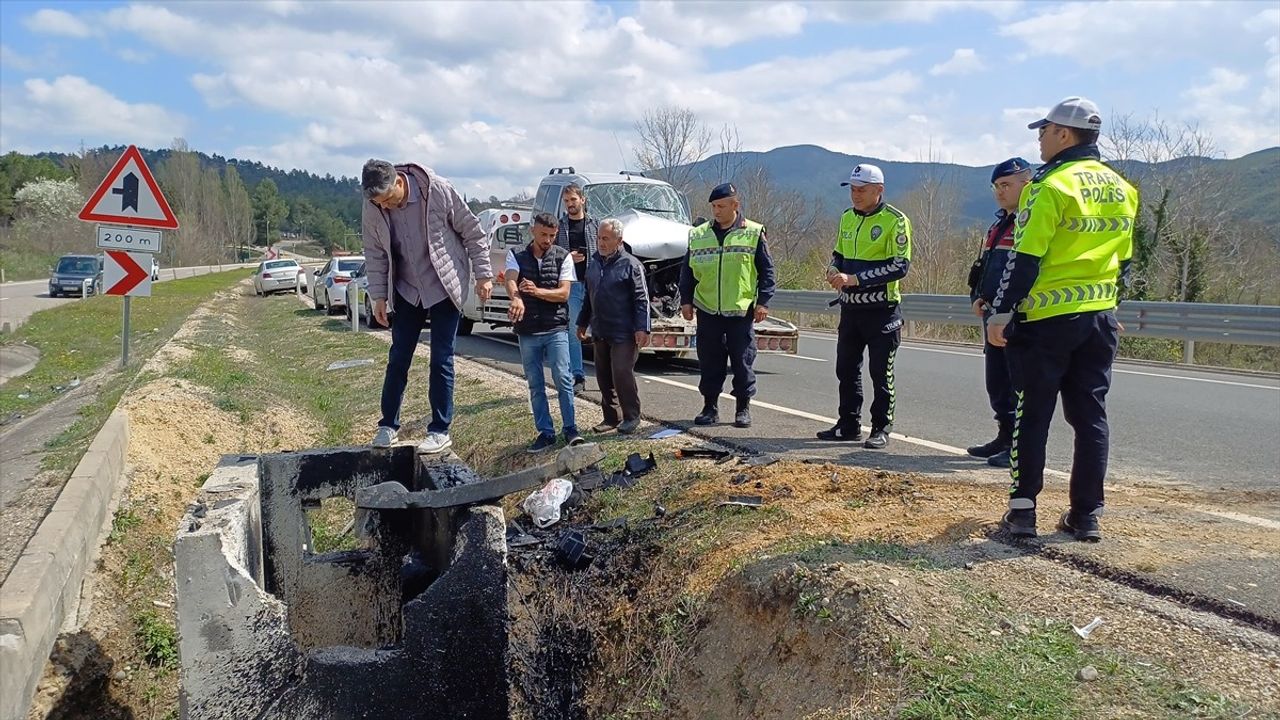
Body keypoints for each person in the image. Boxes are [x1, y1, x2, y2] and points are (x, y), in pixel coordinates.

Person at [988, 96, 1138, 542]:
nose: (1039, 137)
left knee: (1031, 415)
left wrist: (1002, 312)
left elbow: (1025, 257)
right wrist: (1110, 305)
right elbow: (1124, 260)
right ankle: (1086, 515)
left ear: (1065, 135)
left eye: (1045, 130)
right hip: (1098, 318)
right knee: (1090, 416)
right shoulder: (1121, 188)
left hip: (1047, 320)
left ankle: (1023, 512)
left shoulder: (1048, 185)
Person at [361, 159, 493, 454]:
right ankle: (387, 425)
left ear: (398, 183)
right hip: (407, 288)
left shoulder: (439, 191)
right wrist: (378, 296)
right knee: (398, 357)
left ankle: (439, 430)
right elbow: (374, 253)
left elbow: (472, 232)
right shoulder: (373, 206)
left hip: (444, 284)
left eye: (387, 200)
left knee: (441, 358)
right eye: (378, 202)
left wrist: (484, 275)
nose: (385, 207)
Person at [816, 164, 912, 450]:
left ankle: (881, 428)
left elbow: (900, 266)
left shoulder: (896, 220)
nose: (855, 196)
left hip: (882, 310)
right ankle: (848, 424)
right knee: (846, 369)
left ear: (878, 190)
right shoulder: (846, 217)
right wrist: (833, 270)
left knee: (881, 373)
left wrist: (855, 279)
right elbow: (838, 254)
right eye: (853, 190)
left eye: (862, 190)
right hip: (850, 310)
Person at [679, 183, 776, 429]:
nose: (716, 211)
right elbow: (687, 272)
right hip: (708, 308)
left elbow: (767, 271)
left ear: (736, 205)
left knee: (742, 362)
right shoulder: (699, 234)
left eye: (721, 206)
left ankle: (743, 408)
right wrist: (686, 300)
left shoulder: (752, 232)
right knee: (710, 361)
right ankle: (709, 407)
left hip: (740, 310)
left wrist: (763, 301)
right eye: (713, 206)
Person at [965, 157, 1033, 468]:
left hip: (1018, 315)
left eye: (1006, 185)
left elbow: (1024, 269)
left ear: (1026, 183)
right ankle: (1004, 436)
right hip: (993, 311)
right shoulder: (999, 223)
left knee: (1018, 381)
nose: (999, 192)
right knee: (997, 381)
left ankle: (1019, 446)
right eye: (996, 186)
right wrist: (979, 296)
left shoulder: (1030, 221)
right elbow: (988, 266)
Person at [507, 212, 584, 453]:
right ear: (533, 231)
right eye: (543, 235)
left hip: (555, 328)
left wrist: (536, 292)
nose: (548, 240)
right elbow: (510, 279)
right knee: (535, 383)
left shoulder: (563, 257)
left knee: (563, 377)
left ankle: (570, 428)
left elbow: (563, 293)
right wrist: (517, 297)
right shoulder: (516, 254)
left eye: (552, 235)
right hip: (528, 330)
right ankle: (545, 432)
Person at [576, 218, 649, 434]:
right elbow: (588, 298)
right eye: (599, 238)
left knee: (621, 372)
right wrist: (582, 322)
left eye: (606, 238)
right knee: (603, 375)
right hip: (600, 329)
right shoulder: (594, 264)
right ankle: (610, 417)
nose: (601, 242)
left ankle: (631, 416)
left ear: (619, 240)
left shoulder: (631, 265)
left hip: (624, 331)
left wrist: (642, 327)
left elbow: (641, 299)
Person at [556, 184, 597, 395]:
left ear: (582, 200)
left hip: (594, 285)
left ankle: (607, 376)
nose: (570, 204)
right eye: (566, 201)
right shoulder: (560, 226)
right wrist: (567, 257)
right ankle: (578, 376)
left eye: (573, 200)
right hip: (571, 285)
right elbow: (551, 254)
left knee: (600, 331)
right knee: (574, 332)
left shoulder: (595, 225)